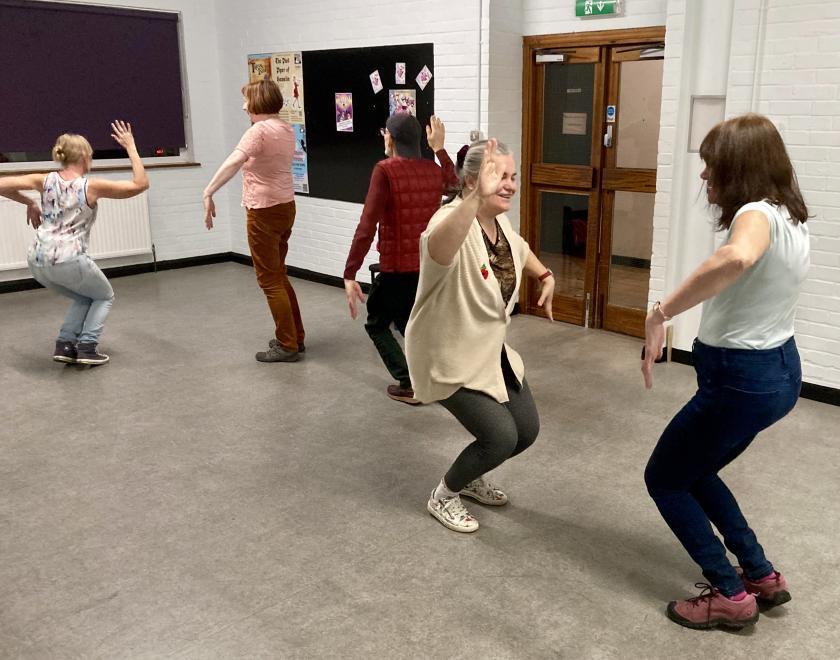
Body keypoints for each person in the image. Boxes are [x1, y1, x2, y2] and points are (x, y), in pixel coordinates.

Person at [641, 114, 810, 630]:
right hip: (779, 373)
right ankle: (759, 573)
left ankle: (731, 594)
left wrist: (660, 313)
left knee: (665, 478)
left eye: (711, 165)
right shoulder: (790, 217)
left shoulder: (755, 213)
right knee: (698, 468)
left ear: (739, 168)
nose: (704, 176)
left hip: (740, 380)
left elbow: (737, 257)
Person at [405, 139, 556, 532]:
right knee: (500, 436)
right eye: (498, 176)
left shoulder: (499, 221)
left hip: (490, 350)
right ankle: (445, 494)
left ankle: (471, 477)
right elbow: (437, 248)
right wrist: (472, 198)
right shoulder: (450, 220)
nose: (509, 185)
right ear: (471, 181)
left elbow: (519, 249)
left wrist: (545, 274)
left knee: (526, 431)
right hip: (448, 353)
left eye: (512, 176)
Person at [0, 121, 149, 365]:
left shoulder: (43, 180)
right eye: (91, 155)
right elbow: (140, 184)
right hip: (68, 259)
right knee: (104, 296)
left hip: (38, 260)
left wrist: (29, 202)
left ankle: (65, 344)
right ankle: (88, 347)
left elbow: (2, 185)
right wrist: (131, 147)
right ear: (83, 156)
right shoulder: (91, 186)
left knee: (84, 297)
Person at [342, 113, 457, 404]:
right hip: (426, 267)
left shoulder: (385, 170)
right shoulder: (432, 170)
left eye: (385, 133)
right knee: (410, 324)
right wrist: (439, 149)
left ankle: (410, 383)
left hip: (395, 269)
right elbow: (455, 186)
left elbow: (367, 226)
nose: (384, 137)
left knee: (377, 324)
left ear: (391, 138)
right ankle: (433, 375)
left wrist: (350, 272)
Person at [203, 80, 304, 362]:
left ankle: (287, 344)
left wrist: (208, 191)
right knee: (279, 274)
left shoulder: (258, 131)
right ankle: (296, 337)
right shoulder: (285, 129)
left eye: (247, 100)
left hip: (263, 210)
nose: (243, 105)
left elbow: (234, 162)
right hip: (285, 207)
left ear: (258, 102)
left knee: (269, 279)